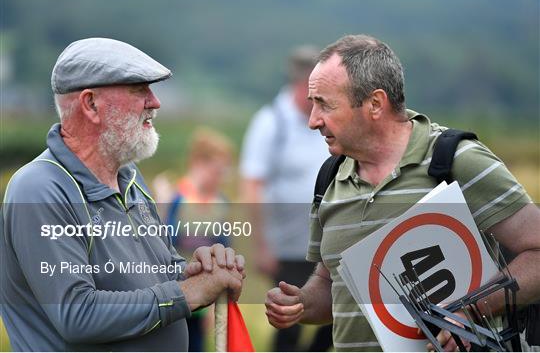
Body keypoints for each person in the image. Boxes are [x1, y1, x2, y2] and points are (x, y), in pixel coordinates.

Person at [264, 34, 540, 352]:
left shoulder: (456, 160)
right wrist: (300, 303)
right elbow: (331, 288)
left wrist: (470, 312)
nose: (313, 121)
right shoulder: (329, 179)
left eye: (325, 104)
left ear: (375, 104)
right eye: (313, 104)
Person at [0, 37, 245, 351]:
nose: (154, 102)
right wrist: (188, 293)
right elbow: (78, 314)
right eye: (139, 90)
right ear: (91, 105)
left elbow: (153, 275)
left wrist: (199, 271)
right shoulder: (39, 190)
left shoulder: (129, 177)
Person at [240, 46, 332, 351]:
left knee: (334, 321)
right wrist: (262, 245)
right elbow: (252, 185)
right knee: (290, 323)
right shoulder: (270, 122)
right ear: (300, 82)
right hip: (287, 248)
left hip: (327, 246)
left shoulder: (327, 120)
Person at [165, 127, 234, 351]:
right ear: (197, 164)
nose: (219, 178)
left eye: (223, 173)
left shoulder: (220, 203)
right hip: (177, 291)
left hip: (206, 296)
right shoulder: (179, 199)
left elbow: (224, 248)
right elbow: (165, 242)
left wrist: (217, 302)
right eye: (216, 172)